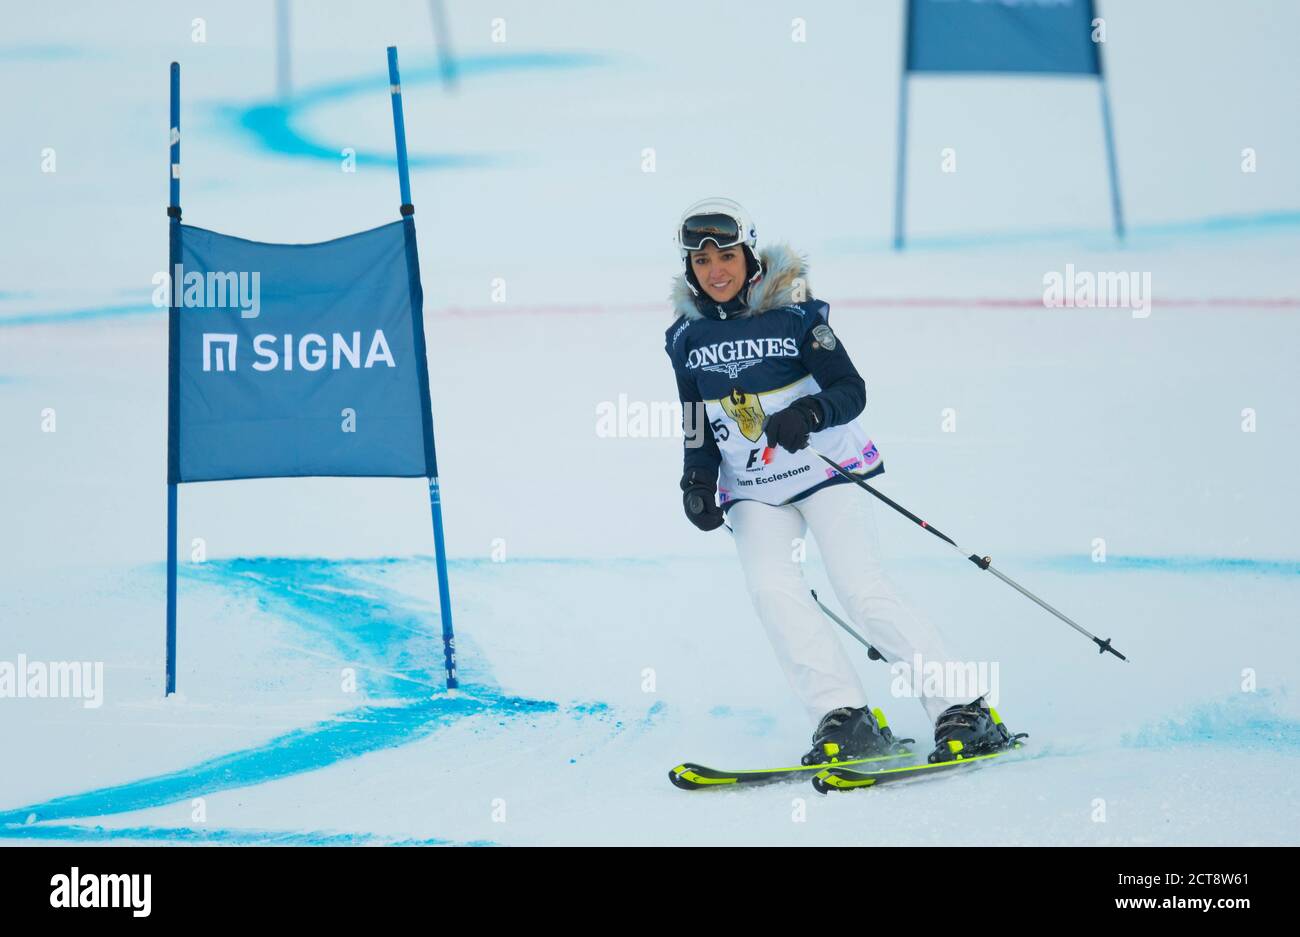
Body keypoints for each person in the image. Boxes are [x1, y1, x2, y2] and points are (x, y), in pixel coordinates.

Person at [663, 197, 1015, 765]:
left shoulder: (796, 313)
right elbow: (695, 419)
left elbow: (851, 390)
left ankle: (964, 708)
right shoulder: (685, 337)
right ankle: (845, 717)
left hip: (827, 473)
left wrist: (809, 414)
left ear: (750, 255)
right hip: (754, 488)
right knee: (773, 593)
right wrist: (696, 481)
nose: (716, 271)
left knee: (861, 590)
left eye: (726, 256)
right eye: (702, 263)